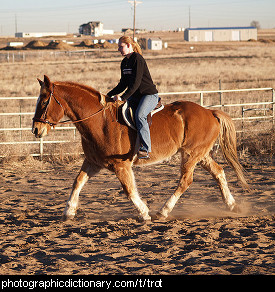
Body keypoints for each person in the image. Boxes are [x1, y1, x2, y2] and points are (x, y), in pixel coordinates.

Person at [106, 36, 159, 159]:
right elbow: (123, 84)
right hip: (134, 97)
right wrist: (108, 95)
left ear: (129, 45)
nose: (119, 49)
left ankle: (145, 148)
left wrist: (123, 97)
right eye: (118, 46)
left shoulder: (138, 59)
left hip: (148, 95)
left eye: (121, 46)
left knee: (140, 115)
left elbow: (136, 83)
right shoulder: (124, 62)